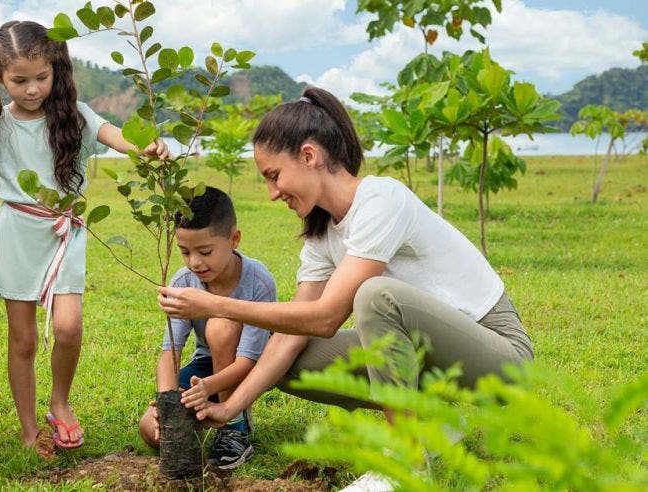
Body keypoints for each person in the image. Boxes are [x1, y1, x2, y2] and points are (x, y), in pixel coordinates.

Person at [158, 87, 534, 490]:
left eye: (274, 175)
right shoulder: (321, 235)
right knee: (288, 358)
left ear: (308, 156)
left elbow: (325, 317)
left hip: (498, 354)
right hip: (430, 353)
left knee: (375, 296)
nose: (271, 193)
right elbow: (291, 337)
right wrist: (231, 405)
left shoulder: (382, 199)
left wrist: (215, 304)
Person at [0, 20, 169, 450]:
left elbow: (113, 134)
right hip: (16, 232)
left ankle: (59, 401)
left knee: (69, 328)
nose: (32, 89)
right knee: (23, 338)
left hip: (64, 232)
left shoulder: (75, 116)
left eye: (41, 77)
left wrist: (144, 147)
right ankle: (28, 427)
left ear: (56, 70)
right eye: (19, 80)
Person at [138, 186, 276, 470]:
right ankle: (200, 419)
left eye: (205, 251)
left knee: (220, 326)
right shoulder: (183, 281)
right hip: (206, 366)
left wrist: (207, 387)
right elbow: (170, 353)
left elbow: (249, 361)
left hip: (251, 367)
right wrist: (168, 404)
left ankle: (234, 427)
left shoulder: (257, 281)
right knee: (148, 429)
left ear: (234, 239)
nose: (194, 262)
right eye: (184, 251)